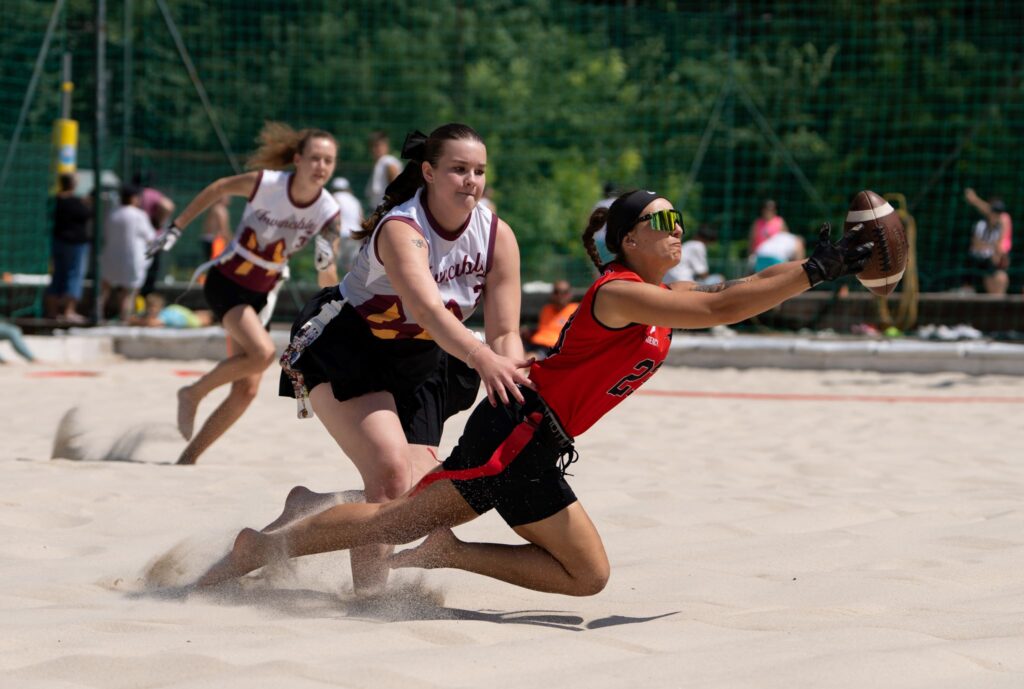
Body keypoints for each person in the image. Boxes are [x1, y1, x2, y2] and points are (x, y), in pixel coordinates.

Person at [195, 189, 873, 594]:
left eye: (681, 222)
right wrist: (824, 266)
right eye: (665, 224)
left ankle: (450, 552)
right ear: (629, 239)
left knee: (588, 578)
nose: (679, 233)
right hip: (514, 431)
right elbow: (721, 309)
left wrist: (830, 259)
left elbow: (729, 293)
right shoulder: (619, 293)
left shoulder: (662, 293)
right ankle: (262, 548)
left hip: (541, 446)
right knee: (391, 518)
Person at [275, 123, 531, 595]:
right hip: (351, 344)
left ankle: (310, 510)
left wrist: (515, 380)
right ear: (429, 172)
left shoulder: (498, 236)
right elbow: (429, 310)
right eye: (458, 169)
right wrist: (481, 358)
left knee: (420, 500)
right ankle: (370, 601)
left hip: (423, 357)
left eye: (479, 170)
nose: (471, 180)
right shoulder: (402, 228)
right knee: (390, 474)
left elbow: (506, 332)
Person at [146, 121, 342, 466]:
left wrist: (329, 270)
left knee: (248, 388)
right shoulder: (267, 184)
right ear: (297, 160)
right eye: (315, 158)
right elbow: (218, 188)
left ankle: (188, 460)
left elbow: (327, 273)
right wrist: (177, 228)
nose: (321, 166)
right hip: (227, 282)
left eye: (328, 160)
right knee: (264, 353)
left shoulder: (328, 211)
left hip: (262, 295)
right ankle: (192, 393)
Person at [99, 185, 155, 321]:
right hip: (132, 258)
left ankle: (97, 315)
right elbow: (151, 237)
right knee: (128, 293)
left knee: (104, 289)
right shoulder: (139, 215)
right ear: (133, 198)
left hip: (110, 256)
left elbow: (104, 234)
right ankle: (125, 319)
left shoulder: (113, 213)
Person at [45, 172, 92, 322]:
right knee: (74, 275)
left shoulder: (55, 200)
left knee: (58, 274)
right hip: (75, 244)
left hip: (58, 242)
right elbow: (87, 214)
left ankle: (52, 311)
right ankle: (68, 311)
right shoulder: (76, 202)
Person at [134, 173, 176, 297]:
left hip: (135, 239)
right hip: (152, 238)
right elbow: (168, 206)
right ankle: (144, 299)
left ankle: (136, 301)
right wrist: (159, 222)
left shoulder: (136, 194)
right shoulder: (152, 194)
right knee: (151, 272)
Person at [964, 188, 1010, 295]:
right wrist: (993, 247)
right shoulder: (981, 225)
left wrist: (998, 254)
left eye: (999, 213)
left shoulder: (1001, 226)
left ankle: (996, 300)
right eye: (995, 212)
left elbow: (997, 247)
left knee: (1000, 277)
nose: (997, 216)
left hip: (989, 261)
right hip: (976, 260)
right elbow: (976, 245)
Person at [521, 280, 578, 358]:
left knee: (528, 359)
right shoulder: (546, 309)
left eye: (564, 292)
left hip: (551, 347)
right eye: (556, 292)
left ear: (570, 295)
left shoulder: (576, 310)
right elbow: (543, 329)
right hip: (535, 343)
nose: (560, 296)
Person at [329, 177, 364, 273]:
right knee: (351, 268)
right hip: (354, 236)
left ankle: (332, 286)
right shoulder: (355, 200)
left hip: (339, 236)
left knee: (331, 265)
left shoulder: (333, 198)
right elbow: (361, 219)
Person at [365, 130, 402, 211]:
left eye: (377, 146)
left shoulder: (388, 162)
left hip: (387, 210)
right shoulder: (379, 163)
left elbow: (397, 188)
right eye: (372, 146)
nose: (374, 149)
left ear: (386, 146)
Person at [590, 181, 618, 266]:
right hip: (613, 239)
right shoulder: (618, 202)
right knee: (615, 266)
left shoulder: (598, 204)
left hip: (599, 239)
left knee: (599, 266)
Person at [201, 196, 231, 260]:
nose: (229, 198)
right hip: (216, 241)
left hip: (207, 238)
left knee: (210, 264)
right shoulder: (221, 210)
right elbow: (223, 229)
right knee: (217, 265)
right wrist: (231, 242)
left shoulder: (212, 208)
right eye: (228, 196)